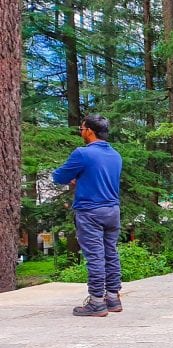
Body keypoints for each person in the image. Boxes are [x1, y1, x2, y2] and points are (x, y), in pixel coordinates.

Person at [52, 115, 124, 317]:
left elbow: (59, 176)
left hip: (89, 211)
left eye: (81, 129)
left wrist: (75, 178)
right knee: (111, 253)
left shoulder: (83, 154)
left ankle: (96, 302)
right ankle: (113, 297)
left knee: (95, 256)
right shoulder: (115, 155)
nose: (80, 132)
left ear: (90, 131)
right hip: (112, 211)